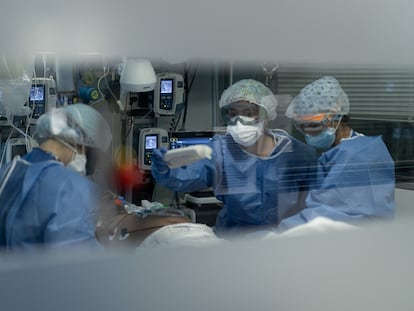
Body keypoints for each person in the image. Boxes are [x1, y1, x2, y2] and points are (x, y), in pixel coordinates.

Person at [151, 79, 317, 237]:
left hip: (285, 242)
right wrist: (166, 168)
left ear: (266, 118)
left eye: (249, 113)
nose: (239, 120)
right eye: (233, 113)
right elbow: (186, 175)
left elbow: (314, 203)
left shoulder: (297, 154)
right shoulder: (221, 151)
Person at [278, 76, 395, 231]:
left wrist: (282, 233)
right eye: (302, 126)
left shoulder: (358, 155)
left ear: (336, 118)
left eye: (313, 125)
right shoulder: (342, 150)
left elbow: (327, 217)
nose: (307, 132)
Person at [0, 103, 112, 250]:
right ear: (82, 144)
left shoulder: (8, 171)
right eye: (93, 159)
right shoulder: (70, 187)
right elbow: (77, 263)